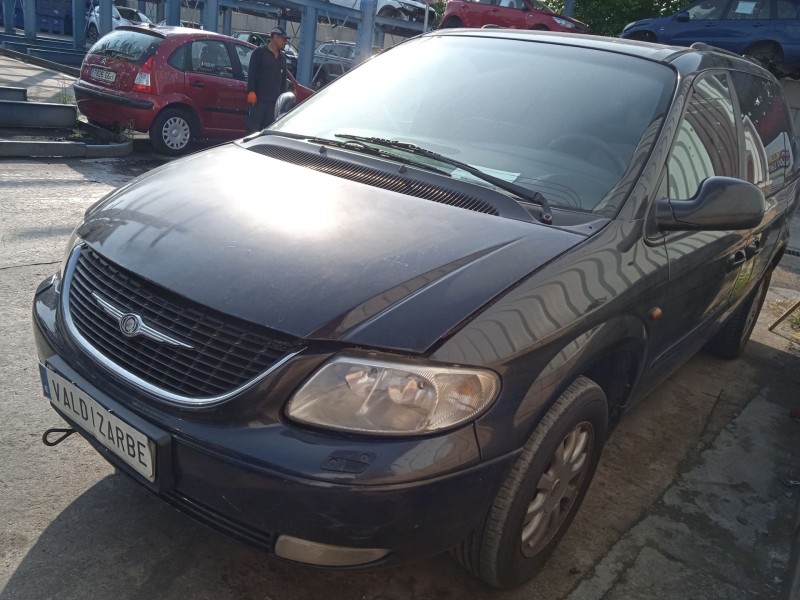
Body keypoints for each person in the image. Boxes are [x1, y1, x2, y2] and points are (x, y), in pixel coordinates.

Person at [246, 26, 291, 133]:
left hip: (274, 104)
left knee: (268, 132)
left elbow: (283, 81)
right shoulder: (259, 53)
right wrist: (251, 91)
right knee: (253, 131)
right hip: (258, 102)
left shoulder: (282, 58)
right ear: (275, 37)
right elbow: (252, 73)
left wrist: (283, 100)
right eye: (283, 39)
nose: (285, 42)